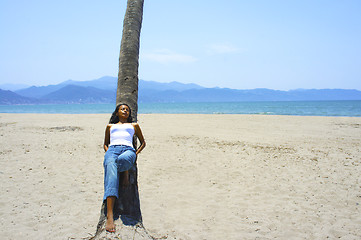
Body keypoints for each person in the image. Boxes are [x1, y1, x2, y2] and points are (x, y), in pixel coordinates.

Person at [103, 103, 146, 233]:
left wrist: (135, 153)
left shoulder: (134, 125)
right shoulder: (110, 126)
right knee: (111, 178)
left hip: (128, 150)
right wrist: (108, 153)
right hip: (112, 150)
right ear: (117, 113)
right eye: (122, 109)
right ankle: (110, 216)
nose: (125, 111)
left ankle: (125, 170)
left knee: (123, 160)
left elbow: (143, 142)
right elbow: (105, 144)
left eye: (127, 109)